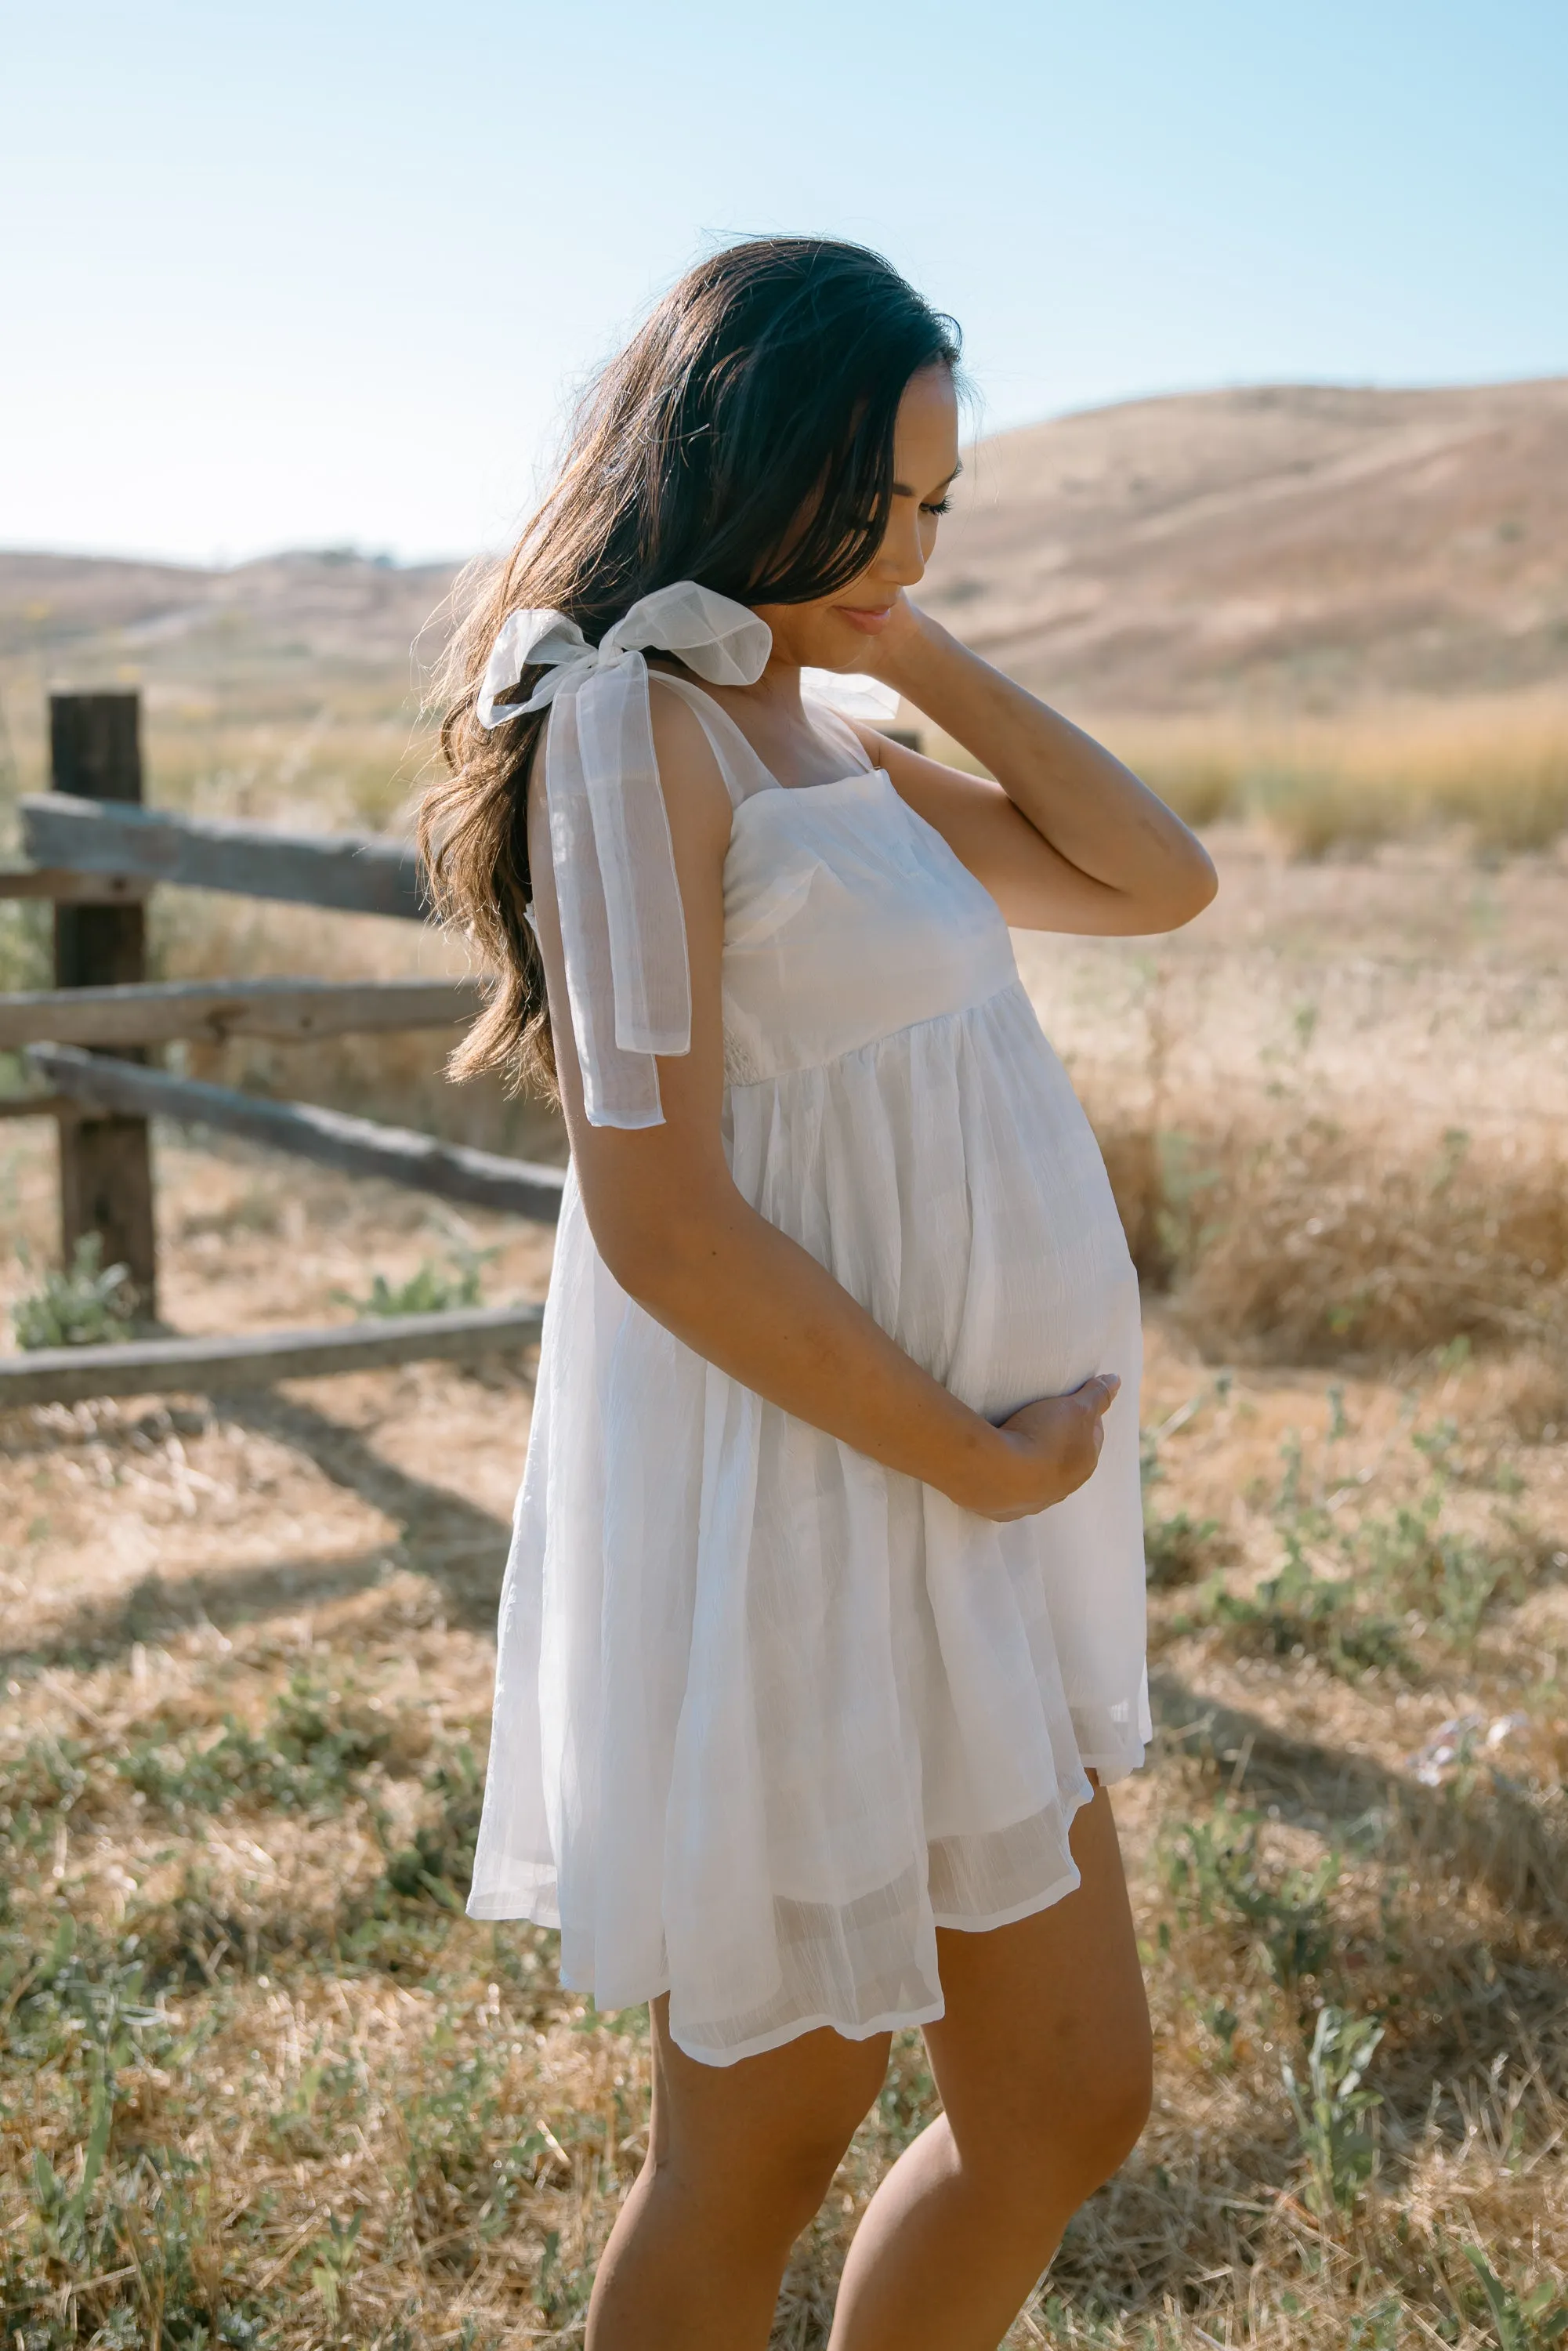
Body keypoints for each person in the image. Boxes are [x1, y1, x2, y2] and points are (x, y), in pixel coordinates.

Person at [422, 236, 1217, 2351]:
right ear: (751, 454)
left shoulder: (829, 730)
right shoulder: (632, 730)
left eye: (940, 506)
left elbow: (1154, 880)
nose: (908, 543)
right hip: (812, 1499)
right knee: (765, 2142)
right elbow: (661, 1215)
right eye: (875, 499)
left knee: (1063, 2103)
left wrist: (905, 638)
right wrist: (978, 1458)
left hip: (962, 1514)